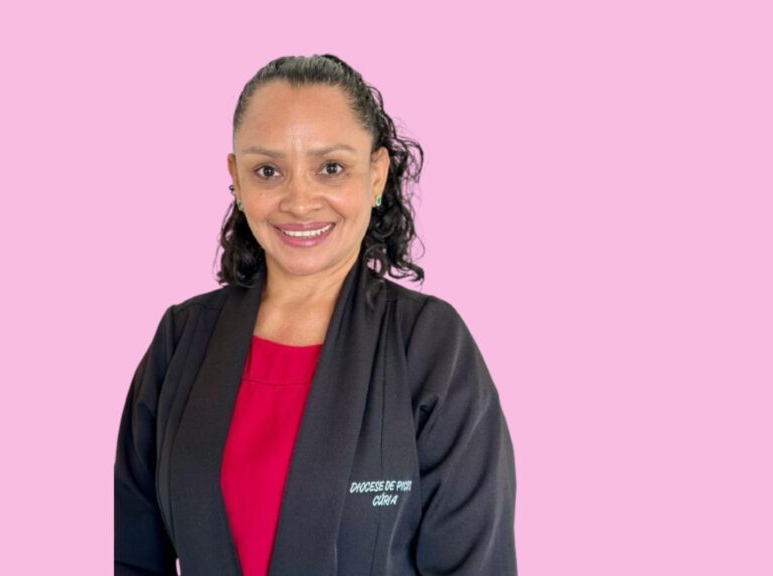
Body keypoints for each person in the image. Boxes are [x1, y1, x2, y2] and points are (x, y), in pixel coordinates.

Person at [114, 53, 517, 576]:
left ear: (376, 175)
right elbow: (130, 553)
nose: (300, 202)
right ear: (237, 180)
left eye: (331, 168)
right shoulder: (181, 339)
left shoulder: (429, 346)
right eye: (268, 171)